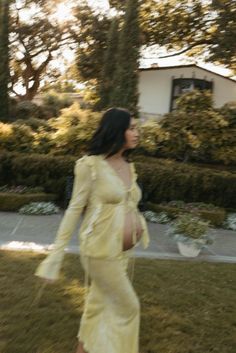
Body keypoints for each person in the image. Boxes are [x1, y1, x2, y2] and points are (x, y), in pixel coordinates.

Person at [35, 107, 150, 353]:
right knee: (129, 308)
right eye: (131, 128)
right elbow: (74, 210)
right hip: (99, 250)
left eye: (136, 127)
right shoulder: (90, 166)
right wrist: (55, 257)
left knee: (99, 306)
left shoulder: (128, 166)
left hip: (121, 253)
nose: (137, 132)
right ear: (116, 130)